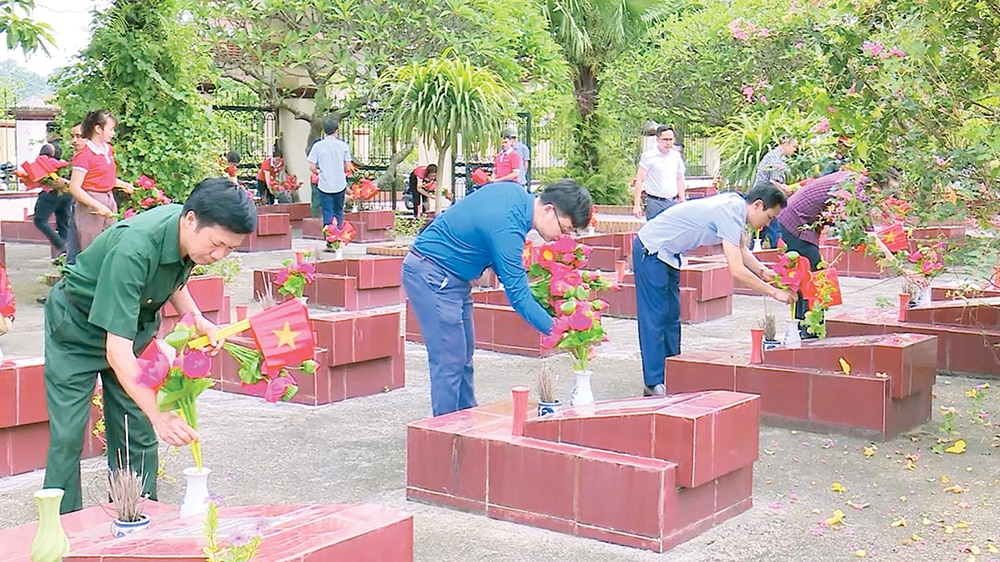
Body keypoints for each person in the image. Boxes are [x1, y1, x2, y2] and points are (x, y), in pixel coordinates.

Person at [42, 178, 257, 514]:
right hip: (76, 329)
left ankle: (136, 517)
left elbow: (170, 278)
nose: (218, 256)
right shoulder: (136, 246)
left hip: (132, 327)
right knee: (68, 435)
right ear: (190, 219)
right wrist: (159, 414)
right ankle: (58, 525)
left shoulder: (187, 232)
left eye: (230, 249)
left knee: (136, 431)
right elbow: (117, 352)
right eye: (216, 245)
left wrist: (197, 318)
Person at [403, 179, 593, 416]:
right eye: (564, 229)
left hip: (453, 277)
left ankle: (465, 421)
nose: (561, 237)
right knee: (449, 359)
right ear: (548, 210)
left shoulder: (513, 195)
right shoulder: (508, 227)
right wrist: (562, 334)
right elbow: (519, 297)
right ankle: (444, 436)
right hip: (432, 273)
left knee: (463, 357)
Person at [634, 184, 796, 396]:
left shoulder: (735, 207)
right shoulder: (730, 212)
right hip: (651, 249)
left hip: (668, 254)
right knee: (655, 318)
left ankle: (672, 375)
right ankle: (654, 382)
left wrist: (763, 271)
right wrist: (774, 292)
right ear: (757, 205)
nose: (768, 224)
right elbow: (736, 269)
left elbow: (740, 248)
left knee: (671, 317)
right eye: (769, 217)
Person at [67, 110, 135, 252]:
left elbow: (102, 176)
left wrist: (123, 184)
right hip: (91, 203)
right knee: (92, 248)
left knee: (110, 243)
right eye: (110, 129)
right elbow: (75, 187)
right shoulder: (84, 155)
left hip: (108, 198)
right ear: (98, 128)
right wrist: (97, 206)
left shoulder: (107, 150)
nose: (112, 133)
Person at [307, 118, 353, 233]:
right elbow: (348, 167)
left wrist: (319, 172)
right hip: (340, 184)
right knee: (339, 211)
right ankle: (339, 237)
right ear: (336, 131)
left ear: (325, 131)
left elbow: (311, 167)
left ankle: (329, 239)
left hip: (324, 185)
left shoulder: (318, 146)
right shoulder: (343, 146)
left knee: (327, 212)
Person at [31, 142, 74, 262]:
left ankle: (61, 245)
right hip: (66, 193)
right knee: (64, 223)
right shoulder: (65, 165)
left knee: (40, 220)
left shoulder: (43, 161)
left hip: (50, 194)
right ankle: (65, 252)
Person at [753, 135, 799, 248]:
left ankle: (752, 251)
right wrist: (785, 190)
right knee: (774, 226)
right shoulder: (775, 158)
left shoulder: (779, 157)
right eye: (794, 147)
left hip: (765, 194)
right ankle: (777, 251)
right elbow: (773, 181)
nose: (795, 150)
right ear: (786, 145)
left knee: (761, 228)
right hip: (766, 195)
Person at [633, 125, 686, 220]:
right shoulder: (648, 157)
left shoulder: (676, 156)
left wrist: (682, 199)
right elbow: (640, 180)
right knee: (654, 231)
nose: (668, 142)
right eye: (665, 139)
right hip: (655, 202)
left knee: (673, 231)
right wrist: (637, 204)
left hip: (673, 202)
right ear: (657, 140)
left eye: (670, 139)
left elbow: (679, 178)